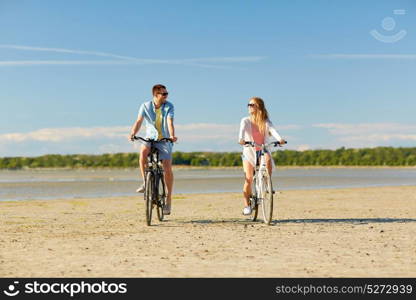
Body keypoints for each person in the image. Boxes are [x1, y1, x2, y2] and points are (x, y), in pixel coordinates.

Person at [129, 84, 178, 215]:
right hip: (150, 138)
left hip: (164, 139)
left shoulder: (169, 106)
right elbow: (139, 121)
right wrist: (133, 132)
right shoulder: (145, 106)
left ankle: (168, 200)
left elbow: (169, 122)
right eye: (164, 94)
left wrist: (172, 135)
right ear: (156, 95)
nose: (166, 96)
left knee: (167, 167)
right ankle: (145, 182)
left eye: (167, 93)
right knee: (143, 153)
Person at [238, 97, 286, 216]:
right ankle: (246, 205)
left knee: (268, 159)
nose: (249, 106)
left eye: (252, 104)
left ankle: (267, 183)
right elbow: (241, 132)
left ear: (258, 107)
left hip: (263, 149)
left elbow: (273, 131)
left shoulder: (265, 121)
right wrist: (241, 140)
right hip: (249, 151)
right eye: (248, 104)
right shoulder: (245, 120)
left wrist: (280, 139)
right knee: (249, 178)